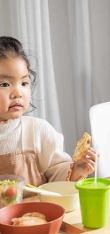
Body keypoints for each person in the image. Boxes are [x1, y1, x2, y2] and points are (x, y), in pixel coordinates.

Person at [0, 36, 96, 186]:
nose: (17, 93)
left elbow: (56, 171)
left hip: (36, 210)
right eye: (5, 84)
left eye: (24, 83)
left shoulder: (37, 131)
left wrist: (76, 169)